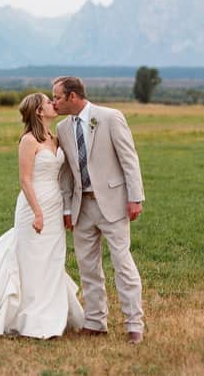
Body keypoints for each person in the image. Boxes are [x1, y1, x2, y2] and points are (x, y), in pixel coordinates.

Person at [0, 92, 84, 338]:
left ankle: (50, 313)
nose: (53, 104)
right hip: (33, 205)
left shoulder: (55, 138)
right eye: (47, 102)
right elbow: (24, 180)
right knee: (30, 260)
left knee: (52, 260)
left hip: (55, 204)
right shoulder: (28, 141)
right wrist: (37, 213)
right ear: (38, 111)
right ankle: (24, 315)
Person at [52, 76, 145, 344]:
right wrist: (67, 209)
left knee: (122, 264)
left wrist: (135, 197)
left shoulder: (110, 117)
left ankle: (133, 325)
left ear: (72, 96)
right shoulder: (62, 128)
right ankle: (95, 321)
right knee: (87, 266)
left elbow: (129, 158)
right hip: (82, 207)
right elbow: (67, 173)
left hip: (114, 203)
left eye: (57, 97)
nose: (54, 102)